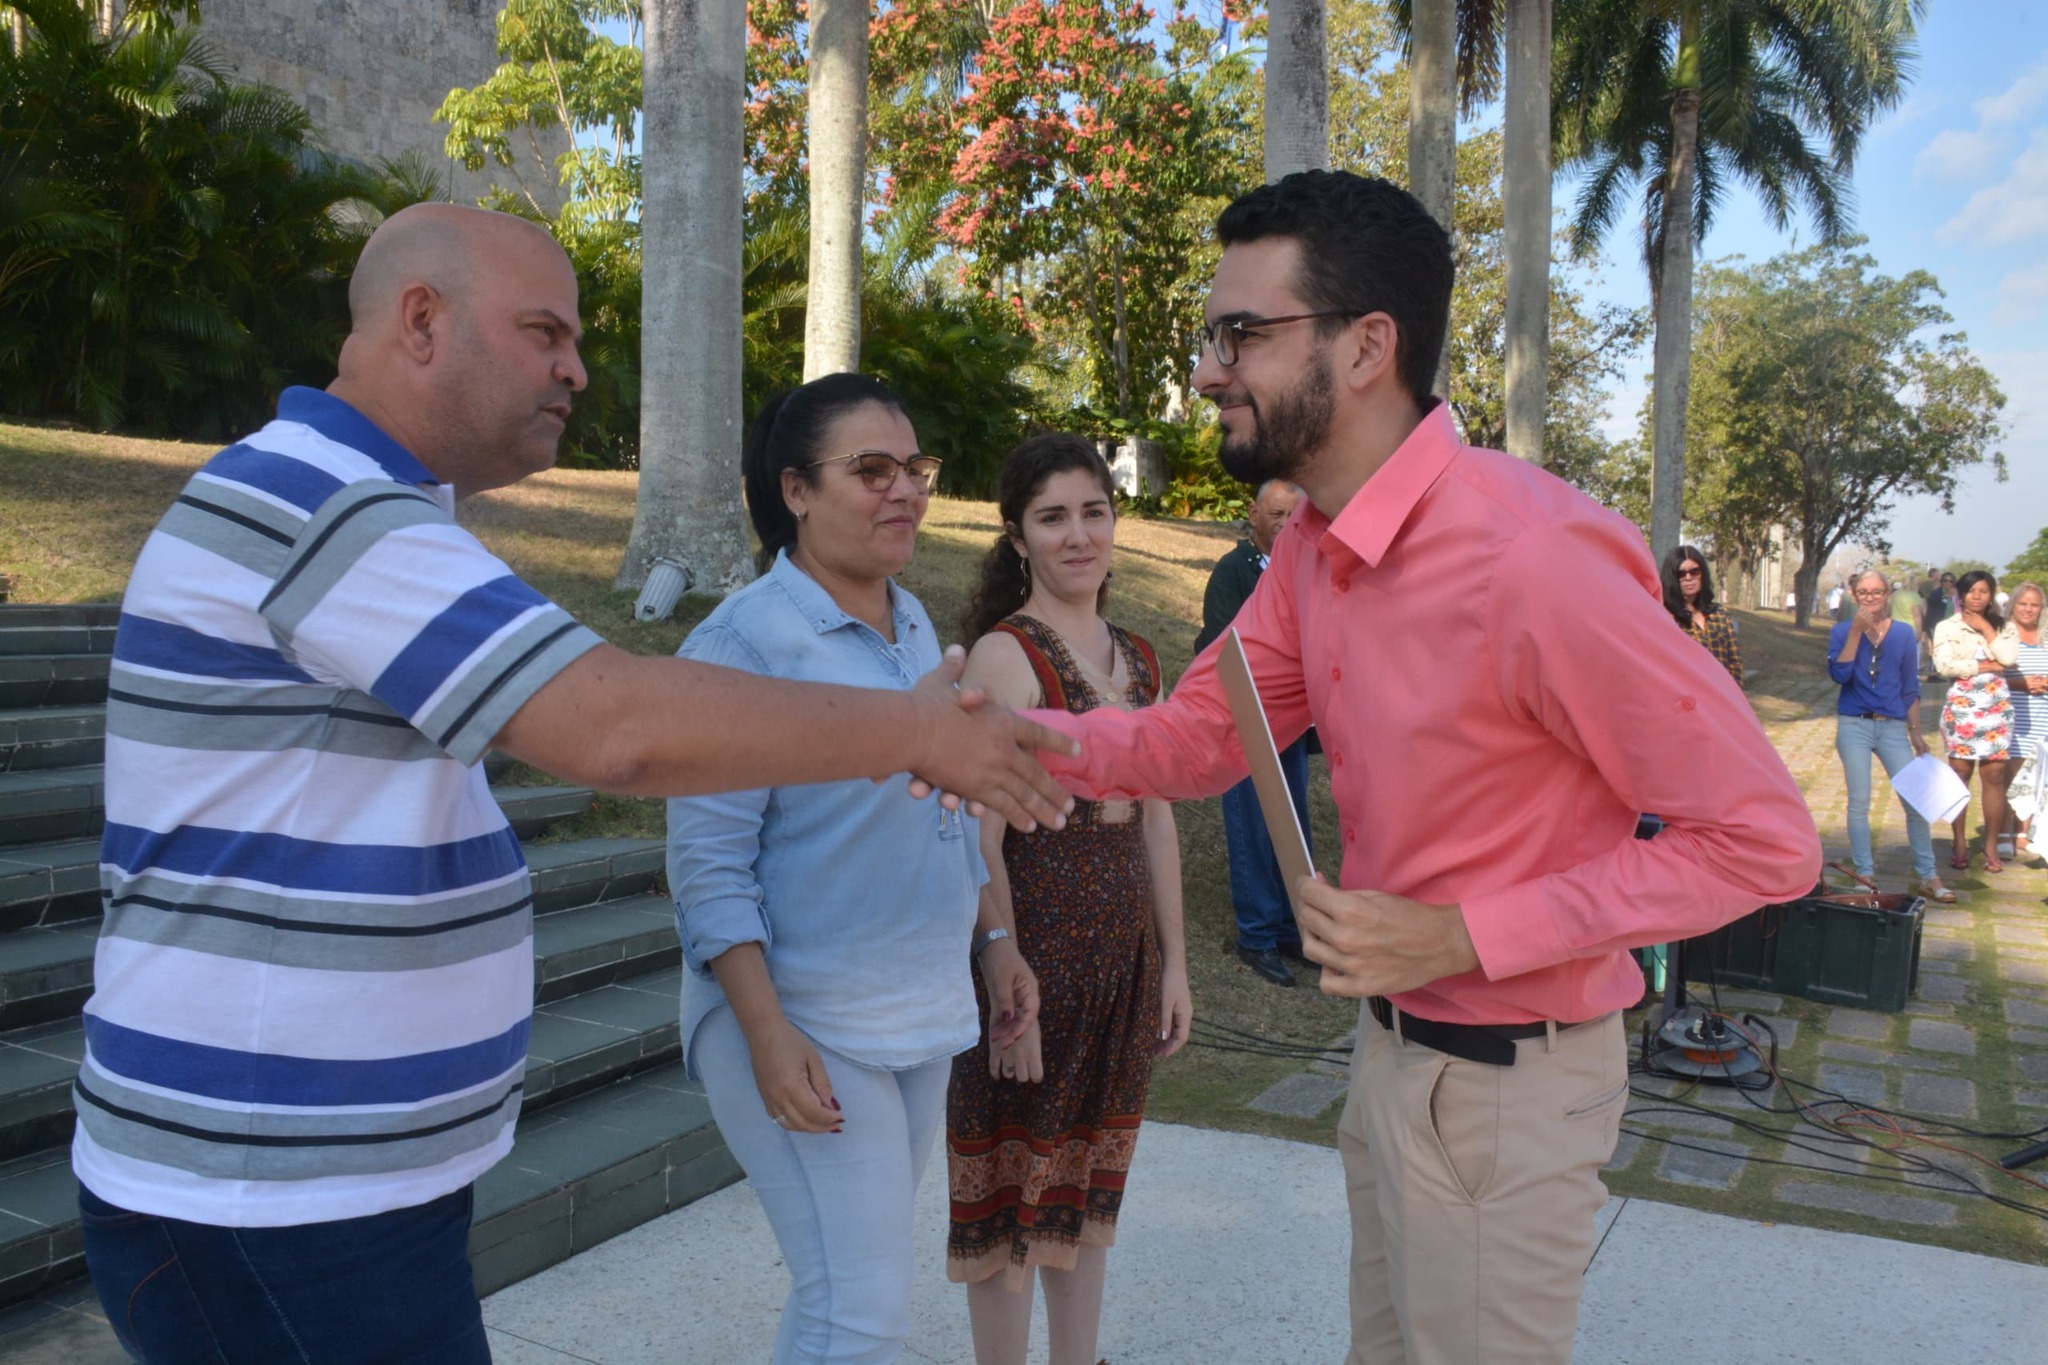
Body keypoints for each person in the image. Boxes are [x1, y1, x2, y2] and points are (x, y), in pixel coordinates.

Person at [73, 205, 1077, 1364]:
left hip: (332, 1180)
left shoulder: (383, 510)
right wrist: (913, 737)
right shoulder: (325, 506)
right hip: (266, 1188)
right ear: (419, 320)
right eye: (545, 330)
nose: (577, 368)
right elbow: (614, 730)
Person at [1015, 170, 1820, 1365]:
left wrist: (1459, 936)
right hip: (1391, 1062)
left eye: (1239, 334)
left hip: (1510, 1091)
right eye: (1210, 333)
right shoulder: (1310, 547)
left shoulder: (1529, 556)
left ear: (1364, 348)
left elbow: (1763, 841)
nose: (1205, 369)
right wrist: (1009, 739)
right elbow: (1195, 739)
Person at [946, 434, 1192, 1365]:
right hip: (1032, 974)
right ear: (1017, 537)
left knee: (1087, 1191)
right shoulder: (1005, 661)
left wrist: (1173, 964)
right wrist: (1003, 967)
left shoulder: (1138, 658)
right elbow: (976, 837)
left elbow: (1157, 821)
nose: (1078, 534)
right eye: (1053, 517)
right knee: (1009, 1205)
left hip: (1119, 969)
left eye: (1094, 511)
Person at [1197, 477, 1315, 986]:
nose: (1287, 524)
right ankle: (1258, 936)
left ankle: (1293, 929)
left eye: (1294, 515)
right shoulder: (1233, 570)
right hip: (1245, 724)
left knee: (1293, 830)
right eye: (1277, 515)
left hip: (1291, 724)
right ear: (1253, 514)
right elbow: (1222, 644)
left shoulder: (1304, 568)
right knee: (1252, 830)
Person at [1828, 571, 1953, 903]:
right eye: (1864, 593)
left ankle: (1928, 875)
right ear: (1855, 596)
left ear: (1887, 595)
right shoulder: (1842, 631)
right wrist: (1855, 632)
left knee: (1914, 802)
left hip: (1893, 726)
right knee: (1859, 802)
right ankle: (1864, 872)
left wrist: (1917, 734)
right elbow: (1839, 675)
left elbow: (1909, 687)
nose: (1871, 598)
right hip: (1854, 723)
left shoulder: (1902, 634)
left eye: (1877, 592)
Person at [1932, 569, 2019, 873]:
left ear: (1991, 594)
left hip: (1997, 708)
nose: (1978, 596)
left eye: (1984, 591)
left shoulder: (2005, 627)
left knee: (1994, 776)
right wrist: (1984, 664)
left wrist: (1986, 628)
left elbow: (2007, 659)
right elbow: (1944, 665)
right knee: (1960, 774)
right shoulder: (1947, 627)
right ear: (1961, 594)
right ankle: (1958, 841)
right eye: (1972, 591)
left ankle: (1991, 844)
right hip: (1963, 708)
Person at [2001, 582, 2047, 861]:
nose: (2029, 609)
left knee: (2038, 776)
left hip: (2043, 715)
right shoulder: (2003, 636)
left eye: (2035, 605)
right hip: (2014, 713)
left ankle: (2024, 833)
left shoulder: (2045, 636)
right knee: (2011, 774)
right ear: (2013, 605)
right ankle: (2004, 832)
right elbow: (1992, 676)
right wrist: (2021, 683)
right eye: (2024, 604)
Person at [1660, 545, 1743, 686]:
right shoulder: (1664, 617)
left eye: (1694, 571)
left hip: (1722, 697)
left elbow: (1734, 662)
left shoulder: (1720, 614)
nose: (1689, 578)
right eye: (1681, 574)